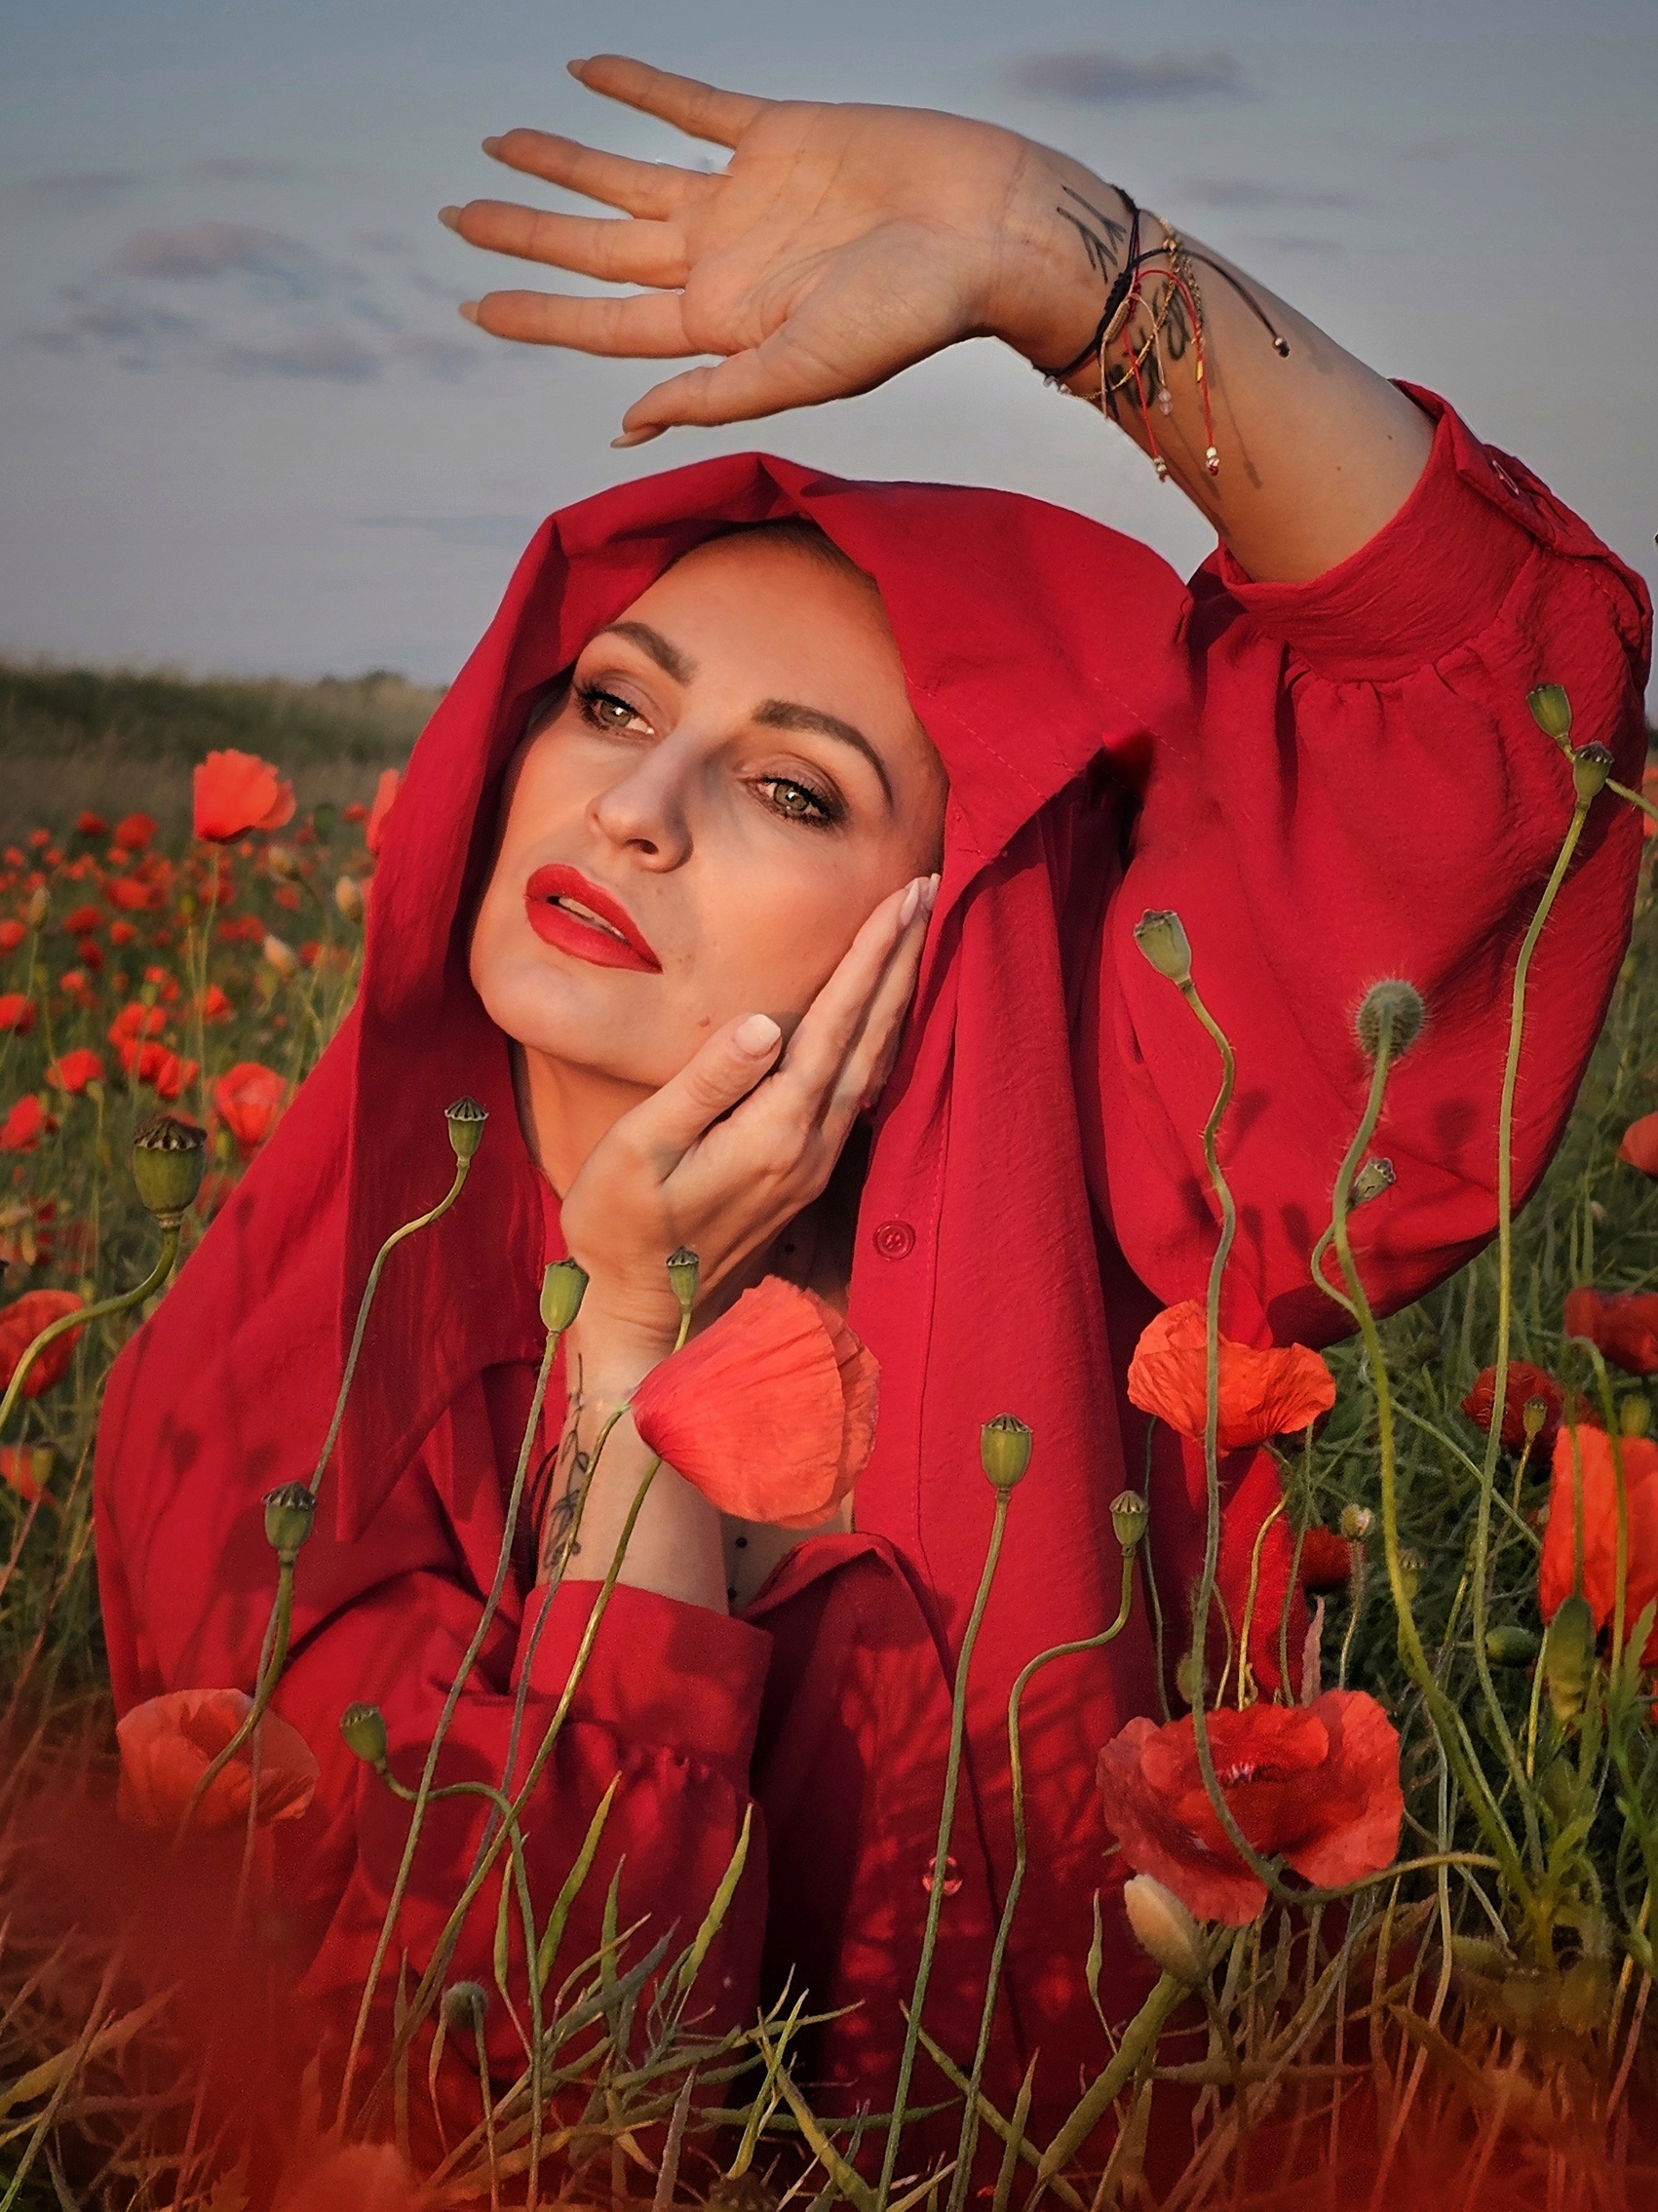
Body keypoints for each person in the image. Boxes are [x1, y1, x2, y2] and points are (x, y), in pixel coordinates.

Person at [95, 54, 1651, 2193]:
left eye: (789, 783)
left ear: (946, 920)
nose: (630, 806)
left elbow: (1472, 686)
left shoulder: (1093, 1223)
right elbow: (518, 2094)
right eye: (615, 701)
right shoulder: (275, 1371)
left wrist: (1062, 261)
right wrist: (632, 1357)